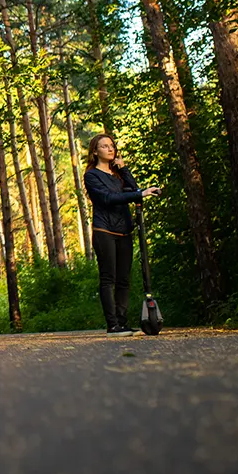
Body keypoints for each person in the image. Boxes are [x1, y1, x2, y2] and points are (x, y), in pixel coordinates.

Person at [83, 133, 161, 336]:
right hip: (104, 230)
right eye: (104, 146)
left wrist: (124, 168)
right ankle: (113, 325)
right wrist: (138, 194)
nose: (110, 149)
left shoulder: (117, 175)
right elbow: (108, 198)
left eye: (112, 146)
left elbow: (134, 189)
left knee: (124, 279)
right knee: (109, 277)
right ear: (95, 151)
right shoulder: (91, 176)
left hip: (124, 230)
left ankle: (122, 322)